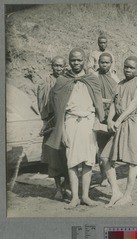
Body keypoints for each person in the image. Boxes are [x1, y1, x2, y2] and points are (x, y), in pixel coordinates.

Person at [45, 48, 105, 209]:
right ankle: (75, 198)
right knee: (72, 161)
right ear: (69, 61)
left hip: (88, 122)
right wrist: (62, 131)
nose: (76, 63)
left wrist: (97, 123)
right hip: (70, 122)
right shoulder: (62, 81)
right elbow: (58, 111)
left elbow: (98, 103)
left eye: (79, 60)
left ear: (85, 60)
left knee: (88, 161)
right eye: (73, 60)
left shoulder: (92, 79)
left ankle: (85, 196)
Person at [100, 56, 137, 207]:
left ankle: (127, 195)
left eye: (132, 67)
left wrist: (119, 120)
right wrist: (109, 120)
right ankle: (116, 192)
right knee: (105, 158)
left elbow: (133, 104)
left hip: (133, 122)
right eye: (126, 67)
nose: (128, 69)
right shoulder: (119, 84)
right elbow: (114, 103)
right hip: (119, 123)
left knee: (132, 161)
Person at [37, 56, 69, 200]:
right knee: (54, 157)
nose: (58, 68)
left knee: (69, 155)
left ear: (65, 66)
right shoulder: (46, 83)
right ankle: (58, 189)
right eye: (55, 65)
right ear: (51, 66)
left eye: (61, 66)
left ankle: (67, 185)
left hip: (68, 122)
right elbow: (43, 105)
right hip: (52, 124)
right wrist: (45, 122)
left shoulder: (69, 80)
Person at [96, 52, 119, 186]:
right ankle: (103, 175)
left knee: (111, 147)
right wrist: (105, 101)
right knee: (100, 147)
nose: (104, 65)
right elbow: (93, 95)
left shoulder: (115, 78)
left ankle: (111, 175)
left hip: (112, 116)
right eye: (102, 62)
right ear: (98, 62)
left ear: (111, 64)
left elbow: (118, 95)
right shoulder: (93, 77)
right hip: (99, 115)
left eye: (107, 62)